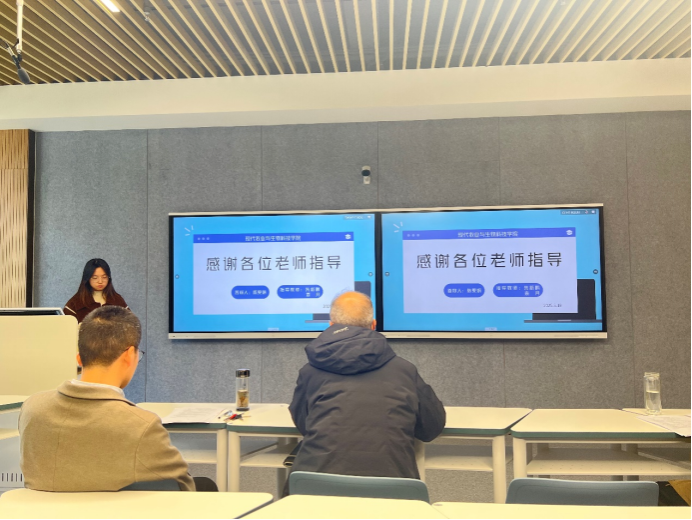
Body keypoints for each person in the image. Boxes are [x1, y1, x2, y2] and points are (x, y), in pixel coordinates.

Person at [18, 306, 204, 492]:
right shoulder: (141, 425)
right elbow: (183, 488)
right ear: (129, 355)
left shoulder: (32, 409)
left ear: (80, 359)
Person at [289, 291, 446, 480]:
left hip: (314, 484)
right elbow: (431, 428)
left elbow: (304, 424)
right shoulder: (404, 370)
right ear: (373, 325)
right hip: (393, 487)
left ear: (331, 325)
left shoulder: (310, 372)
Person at [63, 258, 128, 323]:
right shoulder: (75, 303)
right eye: (95, 278)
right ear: (87, 278)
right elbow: (65, 327)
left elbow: (130, 324)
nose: (100, 281)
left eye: (104, 277)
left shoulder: (117, 300)